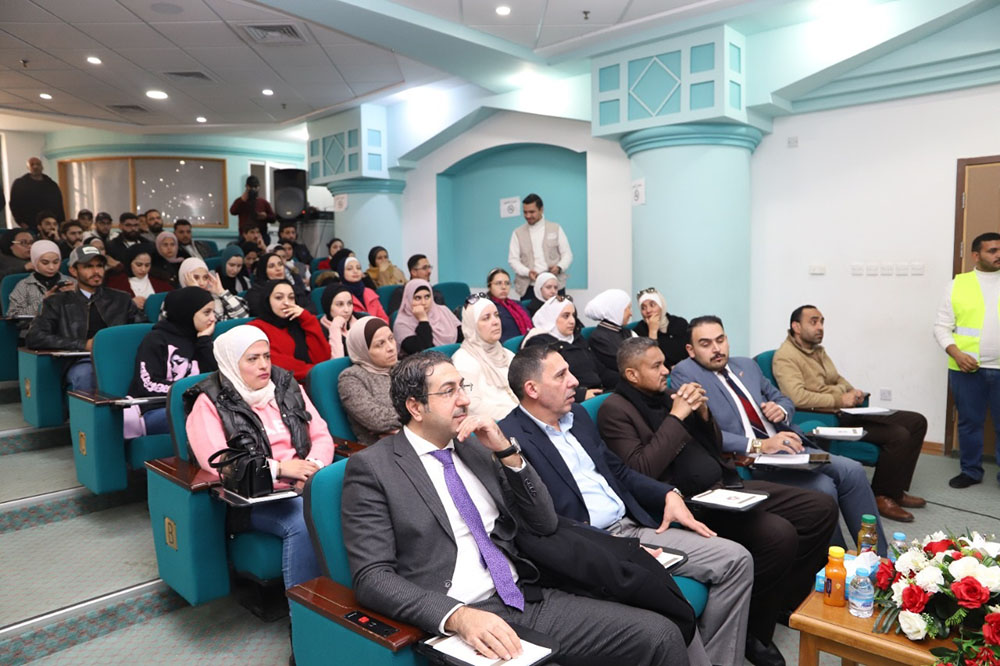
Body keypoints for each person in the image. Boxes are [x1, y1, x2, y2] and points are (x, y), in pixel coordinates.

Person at [341, 351, 699, 666]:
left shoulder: (474, 447)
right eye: (449, 391)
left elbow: (543, 521)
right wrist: (457, 617)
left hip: (523, 596)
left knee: (660, 635)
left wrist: (507, 452)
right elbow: (372, 577)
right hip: (461, 618)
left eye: (463, 387)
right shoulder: (373, 468)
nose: (464, 400)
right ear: (415, 407)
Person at [497, 344, 754, 666]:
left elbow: (617, 471)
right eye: (561, 375)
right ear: (532, 389)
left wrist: (667, 493)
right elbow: (543, 522)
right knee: (662, 602)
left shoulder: (577, 415)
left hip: (633, 526)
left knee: (736, 560)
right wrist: (619, 549)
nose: (574, 381)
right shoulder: (510, 440)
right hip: (593, 545)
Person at [598, 337, 838, 663]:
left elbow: (714, 444)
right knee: (778, 535)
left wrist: (703, 413)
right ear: (632, 375)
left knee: (820, 507)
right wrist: (677, 417)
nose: (666, 370)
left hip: (723, 483)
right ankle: (754, 631)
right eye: (656, 366)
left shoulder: (665, 395)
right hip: (689, 503)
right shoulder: (615, 410)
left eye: (664, 363)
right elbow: (642, 470)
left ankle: (783, 601)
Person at [671, 316, 887, 554]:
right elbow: (701, 431)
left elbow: (783, 398)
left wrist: (781, 410)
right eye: (706, 344)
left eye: (720, 340)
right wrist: (760, 445)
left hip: (788, 446)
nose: (716, 349)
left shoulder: (746, 365)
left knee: (853, 470)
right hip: (752, 459)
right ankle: (836, 562)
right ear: (691, 350)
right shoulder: (685, 373)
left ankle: (879, 558)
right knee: (823, 487)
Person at [186, 325, 333, 593]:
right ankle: (305, 611)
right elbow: (219, 463)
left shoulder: (288, 386)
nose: (264, 365)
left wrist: (313, 469)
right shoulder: (208, 402)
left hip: (306, 485)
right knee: (304, 519)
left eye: (266, 356)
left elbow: (321, 434)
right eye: (252, 359)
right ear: (232, 363)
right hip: (253, 499)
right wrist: (278, 469)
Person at [774, 305, 927, 520]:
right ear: (796, 327)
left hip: (846, 409)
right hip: (828, 417)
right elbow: (796, 397)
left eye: (822, 322)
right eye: (814, 322)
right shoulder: (785, 357)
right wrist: (839, 398)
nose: (820, 327)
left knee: (917, 422)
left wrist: (852, 391)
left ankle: (896, 491)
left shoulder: (818, 351)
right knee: (898, 434)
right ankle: (881, 496)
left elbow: (836, 378)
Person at [26, 245, 145, 392]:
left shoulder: (122, 299)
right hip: (81, 360)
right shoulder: (56, 302)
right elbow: (35, 336)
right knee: (87, 375)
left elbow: (143, 330)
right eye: (88, 266)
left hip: (120, 357)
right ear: (73, 271)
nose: (96, 271)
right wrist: (83, 344)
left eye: (99, 266)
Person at [934, 232, 1000, 488]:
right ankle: (971, 471)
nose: (998, 255)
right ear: (976, 255)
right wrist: (957, 353)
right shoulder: (958, 284)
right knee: (969, 423)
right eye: (992, 251)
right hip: (967, 368)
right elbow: (941, 327)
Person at [129, 287, 217, 435]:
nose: (213, 318)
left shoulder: (204, 340)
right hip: (158, 408)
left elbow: (217, 377)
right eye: (207, 312)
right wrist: (190, 392)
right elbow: (147, 384)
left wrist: (204, 342)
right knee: (204, 417)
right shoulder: (155, 339)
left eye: (214, 312)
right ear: (187, 313)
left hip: (198, 405)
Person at [522, 295, 612, 401]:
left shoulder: (576, 338)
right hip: (571, 399)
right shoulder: (539, 343)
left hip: (597, 392)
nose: (572, 321)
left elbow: (600, 370)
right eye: (566, 316)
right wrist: (581, 394)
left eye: (573, 315)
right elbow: (545, 383)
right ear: (552, 317)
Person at [450, 295, 519, 421]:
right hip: (498, 424)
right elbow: (472, 407)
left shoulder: (507, 354)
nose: (495, 322)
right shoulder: (463, 360)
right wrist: (519, 416)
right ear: (472, 325)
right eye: (486, 318)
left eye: (496, 315)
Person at [248, 280, 330, 381]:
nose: (286, 303)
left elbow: (322, 359)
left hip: (313, 380)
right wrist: (317, 371)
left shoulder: (300, 322)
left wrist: (308, 319)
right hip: (282, 385)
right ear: (267, 300)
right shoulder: (255, 329)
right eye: (279, 298)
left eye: (291, 298)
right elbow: (276, 366)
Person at [338, 316, 402, 445]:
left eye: (391, 338)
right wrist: (420, 415)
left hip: (418, 439)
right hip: (382, 450)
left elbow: (432, 401)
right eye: (380, 344)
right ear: (363, 350)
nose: (390, 347)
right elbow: (377, 420)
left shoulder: (403, 367)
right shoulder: (351, 379)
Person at [6, 240, 75, 338]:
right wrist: (43, 302)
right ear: (34, 262)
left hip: (69, 334)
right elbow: (13, 317)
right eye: (45, 263)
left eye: (56, 262)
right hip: (33, 336)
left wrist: (77, 295)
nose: (51, 267)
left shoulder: (72, 283)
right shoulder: (24, 285)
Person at [508, 193, 572, 298]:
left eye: (532, 212)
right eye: (525, 212)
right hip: (529, 288)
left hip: (555, 286)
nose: (528, 216)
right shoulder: (517, 233)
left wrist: (559, 267)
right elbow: (513, 260)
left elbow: (567, 255)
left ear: (541, 210)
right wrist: (527, 272)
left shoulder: (555, 228)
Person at [392, 279, 461, 356]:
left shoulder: (443, 310)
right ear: (408, 299)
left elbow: (462, 337)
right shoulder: (401, 324)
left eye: (427, 297)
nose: (423, 302)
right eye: (417, 298)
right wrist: (423, 320)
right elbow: (423, 350)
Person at [177, 257, 249, 321]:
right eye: (196, 278)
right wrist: (195, 293)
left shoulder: (214, 299)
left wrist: (221, 291)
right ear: (184, 278)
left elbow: (243, 317)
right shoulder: (177, 303)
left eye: (205, 277)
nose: (202, 283)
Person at [585, 288, 637, 375]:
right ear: (617, 310)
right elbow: (624, 364)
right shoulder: (598, 338)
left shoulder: (626, 331)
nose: (630, 313)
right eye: (628, 308)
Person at [633, 288, 689, 368]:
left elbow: (690, 351)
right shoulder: (639, 330)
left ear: (661, 305)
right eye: (643, 308)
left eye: (652, 305)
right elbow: (649, 362)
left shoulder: (679, 323)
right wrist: (652, 332)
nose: (648, 311)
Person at [105, 244, 173, 311]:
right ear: (129, 263)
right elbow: (108, 307)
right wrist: (129, 303)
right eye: (139, 265)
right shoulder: (115, 282)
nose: (143, 269)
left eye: (147, 265)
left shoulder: (160, 281)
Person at [9, 157, 64, 228]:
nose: (35, 167)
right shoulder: (20, 184)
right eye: (32, 164)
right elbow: (14, 204)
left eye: (38, 164)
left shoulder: (51, 184)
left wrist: (61, 222)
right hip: (29, 224)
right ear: (28, 167)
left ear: (42, 167)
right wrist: (20, 222)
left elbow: (59, 204)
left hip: (51, 224)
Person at [486, 268, 532, 342]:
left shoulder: (518, 305)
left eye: (507, 283)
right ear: (489, 286)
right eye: (498, 283)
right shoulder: (487, 307)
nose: (504, 287)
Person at [338, 254, 389, 322]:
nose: (355, 271)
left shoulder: (369, 292)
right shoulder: (339, 294)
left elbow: (384, 318)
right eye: (350, 269)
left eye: (358, 268)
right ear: (342, 272)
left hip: (376, 327)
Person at [319, 283, 359, 358]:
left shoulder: (360, 320)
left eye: (349, 303)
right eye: (340, 304)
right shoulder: (319, 331)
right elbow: (337, 361)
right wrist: (335, 328)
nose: (347, 310)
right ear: (328, 306)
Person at [230, 175, 275, 241]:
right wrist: (241, 200)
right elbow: (232, 211)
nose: (253, 189)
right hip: (245, 236)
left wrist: (265, 216)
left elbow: (273, 218)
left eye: (255, 187)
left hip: (261, 235)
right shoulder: (241, 201)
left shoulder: (263, 202)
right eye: (251, 187)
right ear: (246, 186)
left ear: (259, 187)